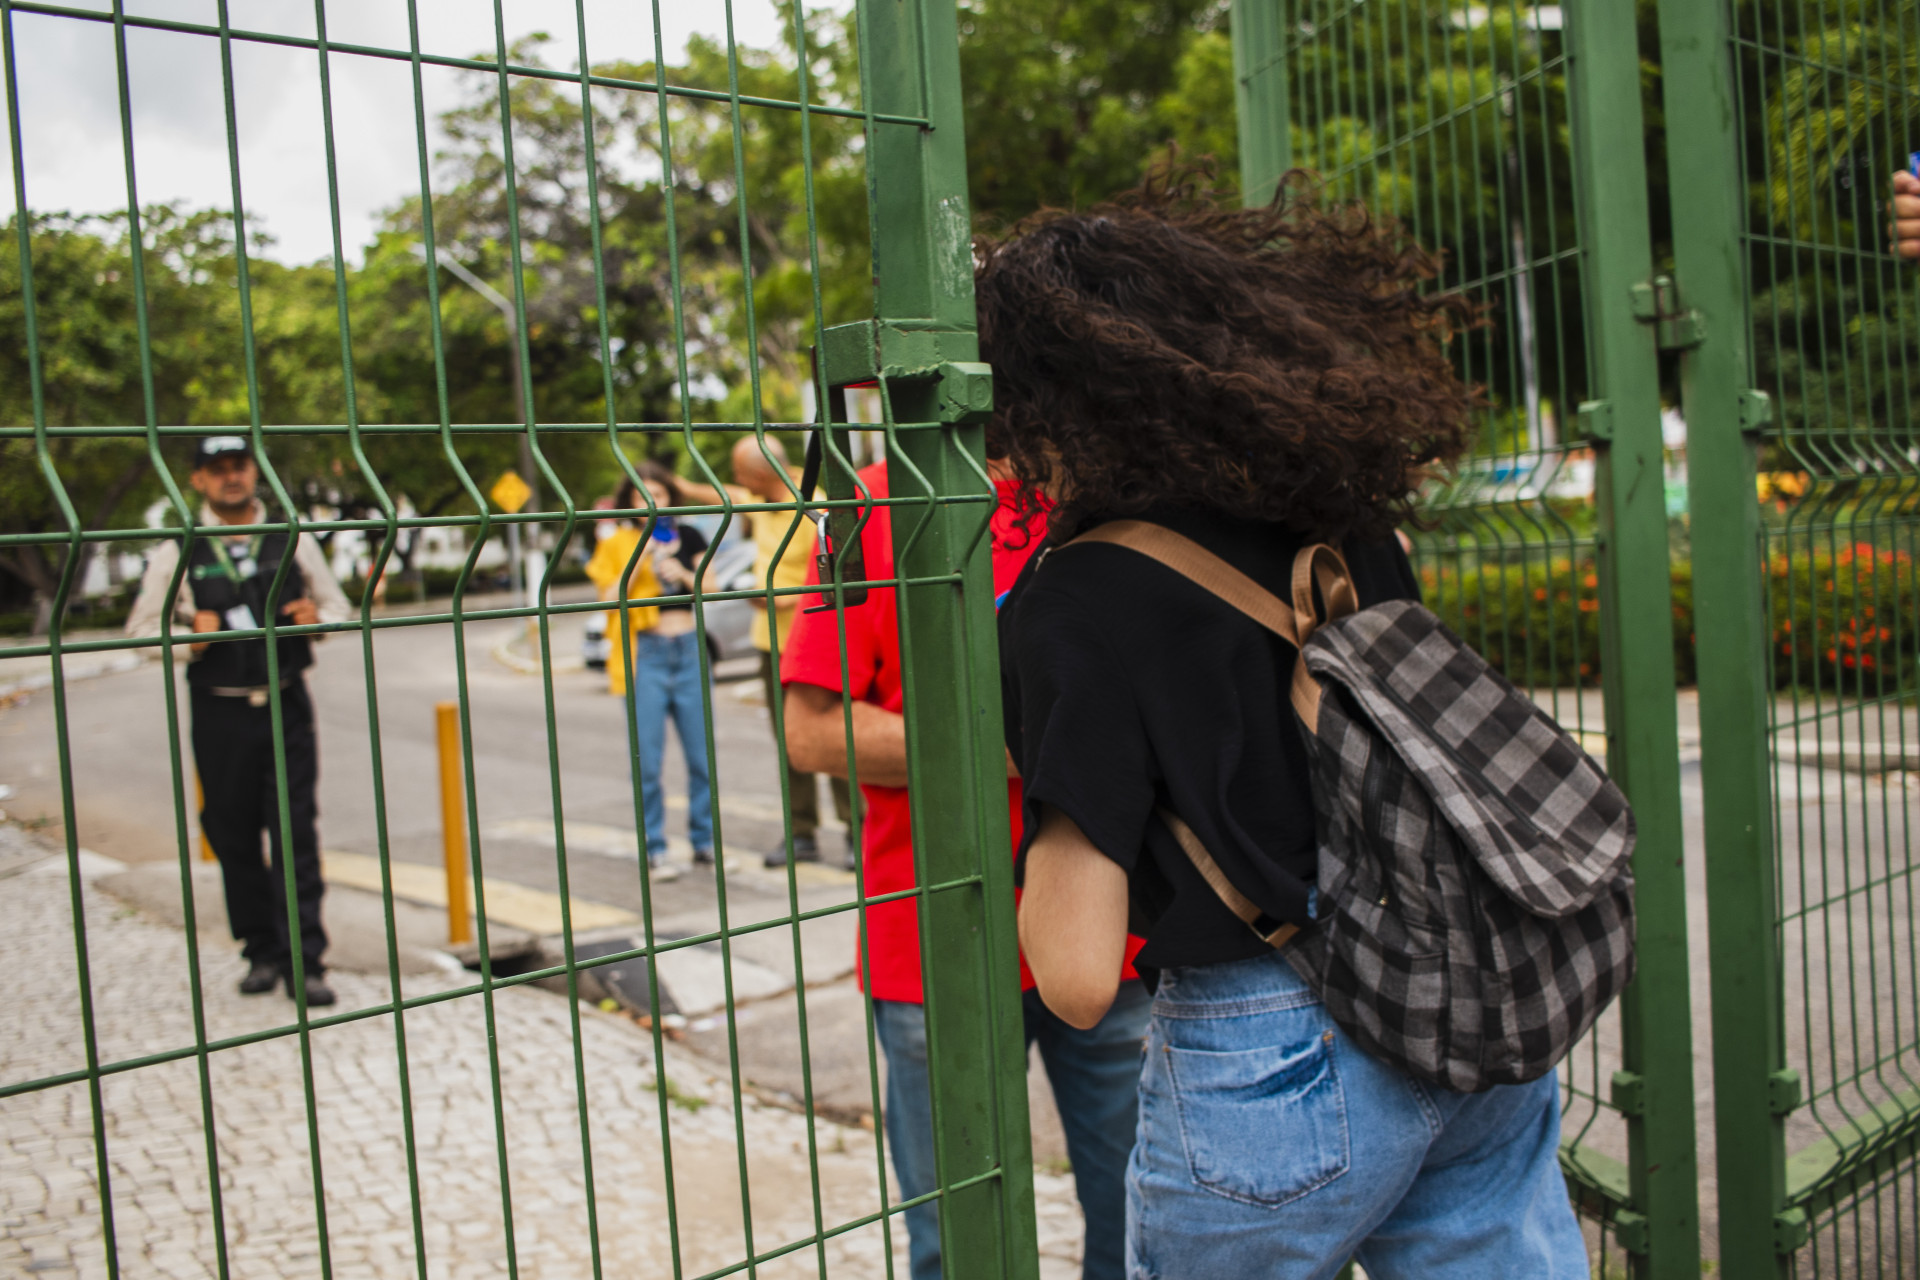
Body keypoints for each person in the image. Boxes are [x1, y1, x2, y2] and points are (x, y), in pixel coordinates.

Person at [988, 177, 1591, 1277]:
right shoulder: (1343, 519)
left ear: (1036, 404)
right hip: (1463, 992)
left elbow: (1074, 976)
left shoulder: (1073, 597)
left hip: (1275, 1054)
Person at [782, 460, 1150, 1280]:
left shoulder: (1116, 482)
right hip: (936, 944)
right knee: (956, 1247)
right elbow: (810, 733)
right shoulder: (869, 504)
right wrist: (1021, 738)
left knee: (1141, 1228)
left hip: (1117, 932)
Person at [125, 436, 352, 1006]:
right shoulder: (179, 548)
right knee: (232, 832)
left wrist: (316, 619)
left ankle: (306, 960)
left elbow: (338, 607)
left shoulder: (291, 536)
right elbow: (141, 632)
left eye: (240, 466)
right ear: (198, 479)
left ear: (254, 472)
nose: (231, 477)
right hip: (220, 708)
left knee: (296, 831)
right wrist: (189, 638)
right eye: (218, 469)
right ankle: (260, 950)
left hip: (285, 703)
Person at [729, 435, 855, 868]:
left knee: (833, 736)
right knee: (788, 740)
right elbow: (720, 494)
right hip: (770, 642)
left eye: (740, 472)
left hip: (812, 640)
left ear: (759, 473)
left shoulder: (813, 507)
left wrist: (785, 599)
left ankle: (855, 830)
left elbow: (837, 571)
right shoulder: (760, 502)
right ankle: (801, 832)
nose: (736, 480)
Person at [584, 465, 712, 875]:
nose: (652, 502)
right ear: (630, 503)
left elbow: (711, 587)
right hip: (646, 654)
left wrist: (684, 573)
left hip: (688, 648)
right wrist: (644, 553)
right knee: (648, 763)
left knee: (702, 758)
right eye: (642, 496)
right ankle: (655, 847)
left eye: (659, 493)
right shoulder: (617, 543)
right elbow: (609, 597)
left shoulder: (689, 536)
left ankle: (704, 841)